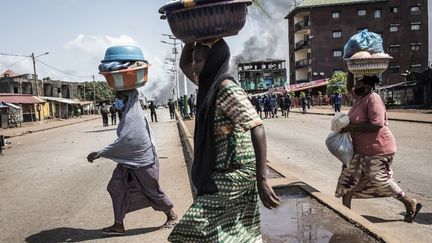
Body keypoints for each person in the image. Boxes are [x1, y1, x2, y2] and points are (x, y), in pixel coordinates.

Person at [168, 39, 280, 242]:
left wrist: (262, 179)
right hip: (223, 167)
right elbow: (184, 65)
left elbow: (257, 126)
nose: (194, 66)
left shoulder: (226, 88)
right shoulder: (208, 83)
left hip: (238, 170)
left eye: (199, 61)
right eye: (195, 61)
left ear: (214, 60)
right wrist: (189, 41)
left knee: (193, 227)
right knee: (234, 229)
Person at [87, 89, 177, 235]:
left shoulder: (132, 116)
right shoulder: (128, 113)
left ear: (127, 98)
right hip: (127, 162)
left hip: (143, 162)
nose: (116, 100)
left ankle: (171, 214)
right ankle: (118, 224)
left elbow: (128, 141)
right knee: (115, 187)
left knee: (151, 191)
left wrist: (101, 153)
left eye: (119, 96)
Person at [337, 75, 421, 223]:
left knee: (379, 179)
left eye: (359, 83)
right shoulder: (359, 97)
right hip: (359, 150)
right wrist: (349, 69)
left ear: (368, 86)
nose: (355, 86)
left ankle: (409, 202)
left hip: (378, 149)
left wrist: (351, 128)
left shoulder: (373, 99)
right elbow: (348, 86)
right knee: (348, 180)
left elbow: (377, 124)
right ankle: (346, 216)